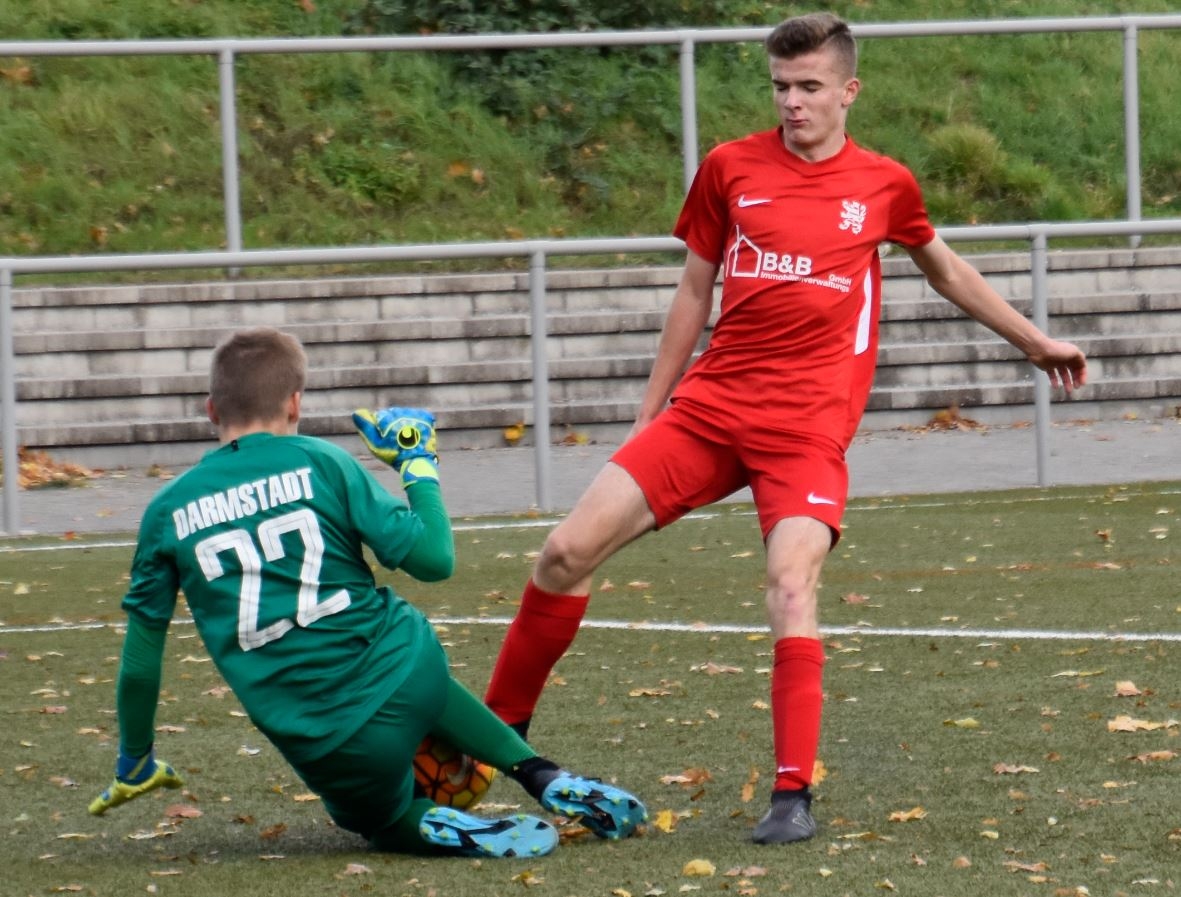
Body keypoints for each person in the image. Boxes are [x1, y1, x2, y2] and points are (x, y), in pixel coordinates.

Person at [482, 11, 1088, 845]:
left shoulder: (885, 184)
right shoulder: (730, 167)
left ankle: (790, 795)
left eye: (808, 87)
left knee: (790, 583)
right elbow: (694, 292)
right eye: (780, 86)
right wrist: (648, 410)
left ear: (848, 90)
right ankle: (484, 746)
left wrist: (1035, 340)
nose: (792, 103)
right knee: (562, 551)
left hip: (804, 429)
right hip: (708, 409)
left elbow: (944, 268)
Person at [89, 327, 647, 858]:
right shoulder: (322, 461)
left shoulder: (167, 512)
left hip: (327, 736)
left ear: (211, 409)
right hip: (411, 667)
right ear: (295, 404)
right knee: (409, 669)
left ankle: (426, 825)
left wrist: (135, 758)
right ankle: (539, 773)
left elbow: (140, 664)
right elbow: (434, 560)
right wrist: (418, 464)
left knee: (367, 819)